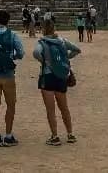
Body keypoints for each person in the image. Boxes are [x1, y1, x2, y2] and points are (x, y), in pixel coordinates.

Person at [34, 18, 80, 146]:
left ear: (43, 29)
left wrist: (44, 61)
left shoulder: (42, 42)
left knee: (51, 110)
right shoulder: (62, 41)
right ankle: (70, 134)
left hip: (48, 76)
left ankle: (55, 136)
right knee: (64, 107)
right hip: (61, 76)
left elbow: (36, 53)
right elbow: (77, 49)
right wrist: (65, 59)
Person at [0, 10, 25, 147]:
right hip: (8, 74)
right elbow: (21, 53)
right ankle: (8, 135)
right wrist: (12, 56)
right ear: (8, 20)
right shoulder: (12, 35)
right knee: (11, 105)